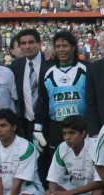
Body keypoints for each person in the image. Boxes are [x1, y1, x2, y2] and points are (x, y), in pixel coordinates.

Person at [34, 30, 89, 185]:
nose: (61, 49)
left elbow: (92, 100)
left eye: (65, 45)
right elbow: (43, 101)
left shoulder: (86, 69)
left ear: (73, 47)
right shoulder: (47, 72)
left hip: (81, 126)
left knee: (84, 164)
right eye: (57, 46)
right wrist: (37, 128)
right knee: (58, 166)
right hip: (56, 127)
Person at [10, 28, 52, 139]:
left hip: (49, 121)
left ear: (39, 43)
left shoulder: (50, 62)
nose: (27, 46)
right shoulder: (16, 66)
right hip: (26, 123)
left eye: (31, 42)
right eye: (23, 43)